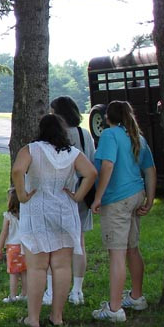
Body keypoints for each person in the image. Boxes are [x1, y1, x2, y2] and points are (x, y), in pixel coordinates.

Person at [12, 114, 97, 327]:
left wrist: (21, 195)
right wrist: (78, 196)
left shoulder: (31, 149)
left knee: (37, 267)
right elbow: (91, 173)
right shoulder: (73, 153)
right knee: (61, 266)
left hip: (37, 212)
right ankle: (57, 316)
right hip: (64, 212)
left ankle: (33, 318)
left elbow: (17, 170)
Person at [90, 100, 156, 323]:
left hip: (117, 199)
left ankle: (114, 309)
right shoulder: (138, 137)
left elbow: (107, 165)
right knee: (132, 249)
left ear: (108, 117)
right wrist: (151, 198)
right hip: (136, 195)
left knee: (116, 253)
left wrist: (98, 197)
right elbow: (150, 169)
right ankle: (136, 297)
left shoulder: (109, 135)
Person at [43, 96, 97, 306]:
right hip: (82, 194)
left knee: (52, 243)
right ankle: (77, 290)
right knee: (79, 243)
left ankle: (51, 289)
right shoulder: (85, 134)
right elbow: (91, 164)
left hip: (60, 193)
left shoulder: (57, 135)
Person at [0, 188, 26, 303]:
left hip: (13, 248)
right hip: (25, 247)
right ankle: (24, 294)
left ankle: (12, 296)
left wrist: (0, 248)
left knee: (13, 273)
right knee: (25, 271)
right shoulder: (25, 215)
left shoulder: (8, 216)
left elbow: (4, 233)